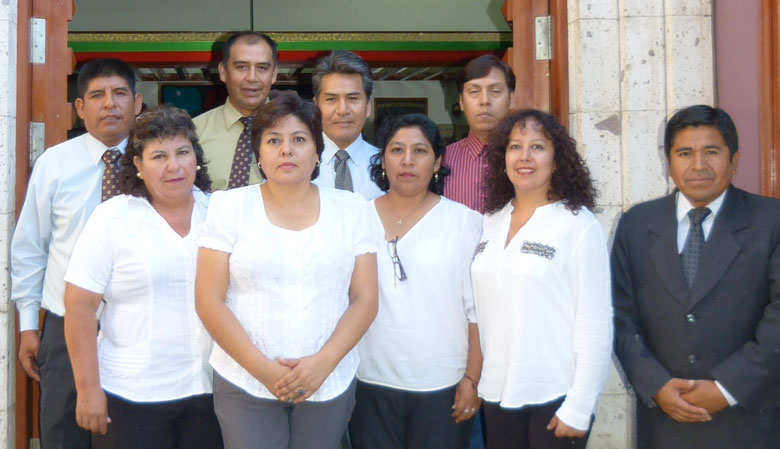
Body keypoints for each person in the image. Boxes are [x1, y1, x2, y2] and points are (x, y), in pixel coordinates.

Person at [195, 90, 378, 449]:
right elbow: (209, 299)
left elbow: (365, 298)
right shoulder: (228, 206)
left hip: (328, 378)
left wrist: (324, 363)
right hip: (244, 379)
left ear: (317, 152)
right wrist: (262, 369)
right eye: (273, 140)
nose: (286, 150)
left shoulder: (352, 209)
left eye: (299, 140)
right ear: (258, 154)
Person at [612, 105, 780, 449]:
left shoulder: (771, 220)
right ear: (668, 161)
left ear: (734, 159)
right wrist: (656, 385)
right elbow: (618, 315)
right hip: (664, 424)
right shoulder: (636, 224)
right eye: (685, 153)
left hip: (751, 420)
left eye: (712, 152)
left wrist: (727, 388)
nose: (698, 165)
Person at [62, 106, 221, 449]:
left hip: (211, 393)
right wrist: (88, 390)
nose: (174, 166)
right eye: (159, 156)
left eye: (182, 152)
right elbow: (79, 307)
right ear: (138, 164)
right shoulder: (113, 218)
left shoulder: (221, 214)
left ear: (196, 157)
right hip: (131, 396)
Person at [11, 58, 142, 449]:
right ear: (80, 108)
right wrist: (28, 326)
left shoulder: (158, 163)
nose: (109, 104)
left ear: (137, 103)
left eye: (119, 93)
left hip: (137, 327)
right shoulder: (54, 164)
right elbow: (30, 249)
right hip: (65, 326)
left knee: (130, 435)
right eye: (97, 95)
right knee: (64, 435)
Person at [471, 110, 612, 449]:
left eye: (537, 147)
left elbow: (595, 322)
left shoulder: (577, 225)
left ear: (557, 159)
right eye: (515, 146)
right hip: (497, 393)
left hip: (555, 395)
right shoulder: (491, 221)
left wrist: (580, 405)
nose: (525, 156)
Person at [349, 114, 483, 449]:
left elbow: (479, 312)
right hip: (369, 380)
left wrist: (472, 378)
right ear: (383, 159)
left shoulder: (464, 223)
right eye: (396, 150)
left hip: (443, 383)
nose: (407, 160)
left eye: (420, 151)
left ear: (437, 162)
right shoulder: (356, 218)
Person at [193, 32, 278, 189]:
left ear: (274, 74)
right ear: (223, 72)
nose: (252, 77)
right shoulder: (193, 133)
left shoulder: (297, 133)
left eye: (262, 68)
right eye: (241, 67)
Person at [443, 55, 515, 213]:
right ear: (461, 102)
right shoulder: (442, 160)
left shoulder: (526, 160)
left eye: (495, 91)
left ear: (511, 99)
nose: (484, 101)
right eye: (474, 91)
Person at [311, 50, 384, 200]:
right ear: (316, 106)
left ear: (367, 106)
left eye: (353, 98)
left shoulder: (387, 166)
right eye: (331, 99)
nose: (342, 110)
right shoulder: (295, 165)